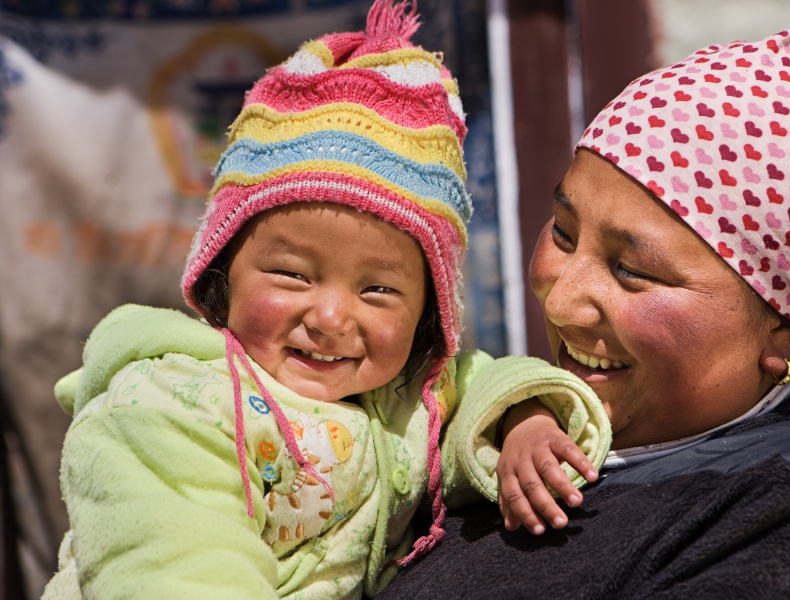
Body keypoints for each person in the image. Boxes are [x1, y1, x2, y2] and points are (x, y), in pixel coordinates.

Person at [380, 27, 790, 598]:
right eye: (564, 233)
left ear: (785, 327)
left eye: (633, 271)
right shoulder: (489, 435)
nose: (560, 298)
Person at [39, 3, 611, 599]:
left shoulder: (406, 395)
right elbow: (178, 571)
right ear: (221, 273)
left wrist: (525, 421)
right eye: (291, 275)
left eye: (378, 290)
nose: (332, 318)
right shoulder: (169, 407)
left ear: (429, 315)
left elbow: (481, 385)